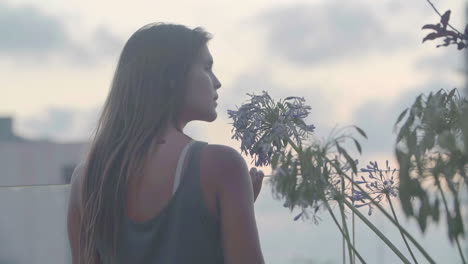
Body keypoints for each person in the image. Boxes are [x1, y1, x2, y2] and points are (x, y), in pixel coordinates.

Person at [67, 22, 266, 264]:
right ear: (172, 77)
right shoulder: (222, 165)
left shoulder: (85, 178)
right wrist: (235, 205)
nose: (216, 82)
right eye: (206, 67)